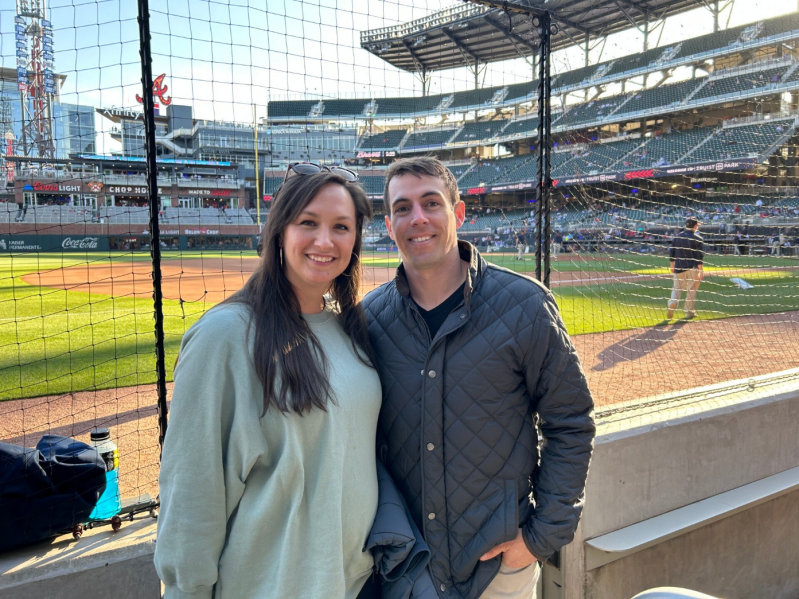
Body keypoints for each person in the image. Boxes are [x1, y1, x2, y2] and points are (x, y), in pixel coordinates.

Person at [364, 157, 596, 599]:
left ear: (459, 212)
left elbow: (570, 422)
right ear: (389, 225)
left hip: (499, 571)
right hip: (408, 572)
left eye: (431, 203)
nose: (418, 218)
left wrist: (539, 538)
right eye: (402, 208)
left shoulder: (525, 305)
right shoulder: (370, 320)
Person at [155, 166, 384, 599]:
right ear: (280, 231)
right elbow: (193, 489)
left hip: (355, 584)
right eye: (308, 222)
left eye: (341, 227)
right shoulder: (225, 335)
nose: (324, 241)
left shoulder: (348, 329)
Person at [667, 217, 704, 320]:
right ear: (695, 226)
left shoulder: (677, 237)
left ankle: (673, 302)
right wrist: (701, 270)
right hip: (692, 268)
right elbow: (699, 257)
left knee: (677, 289)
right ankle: (689, 312)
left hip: (679, 267)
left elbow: (672, 252)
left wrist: (672, 265)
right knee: (691, 290)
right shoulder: (698, 238)